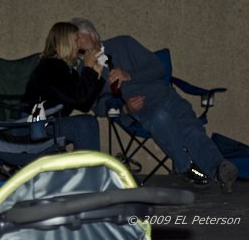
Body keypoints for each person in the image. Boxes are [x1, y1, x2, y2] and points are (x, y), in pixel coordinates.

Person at [71, 17, 238, 193]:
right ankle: (187, 167)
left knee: (191, 128)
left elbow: (158, 69)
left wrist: (130, 75)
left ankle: (219, 169)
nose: (76, 45)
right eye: (72, 42)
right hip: (138, 109)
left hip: (164, 95)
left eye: (78, 38)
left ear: (93, 35)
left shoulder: (124, 44)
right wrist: (125, 109)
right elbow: (98, 107)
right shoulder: (84, 72)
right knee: (160, 117)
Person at [23, 22, 105, 151]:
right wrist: (88, 70)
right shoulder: (50, 67)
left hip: (51, 122)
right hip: (36, 125)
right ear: (65, 42)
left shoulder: (66, 68)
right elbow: (80, 99)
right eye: (76, 40)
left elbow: (84, 105)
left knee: (87, 121)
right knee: (84, 124)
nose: (79, 44)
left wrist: (97, 76)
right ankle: (88, 170)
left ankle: (87, 168)